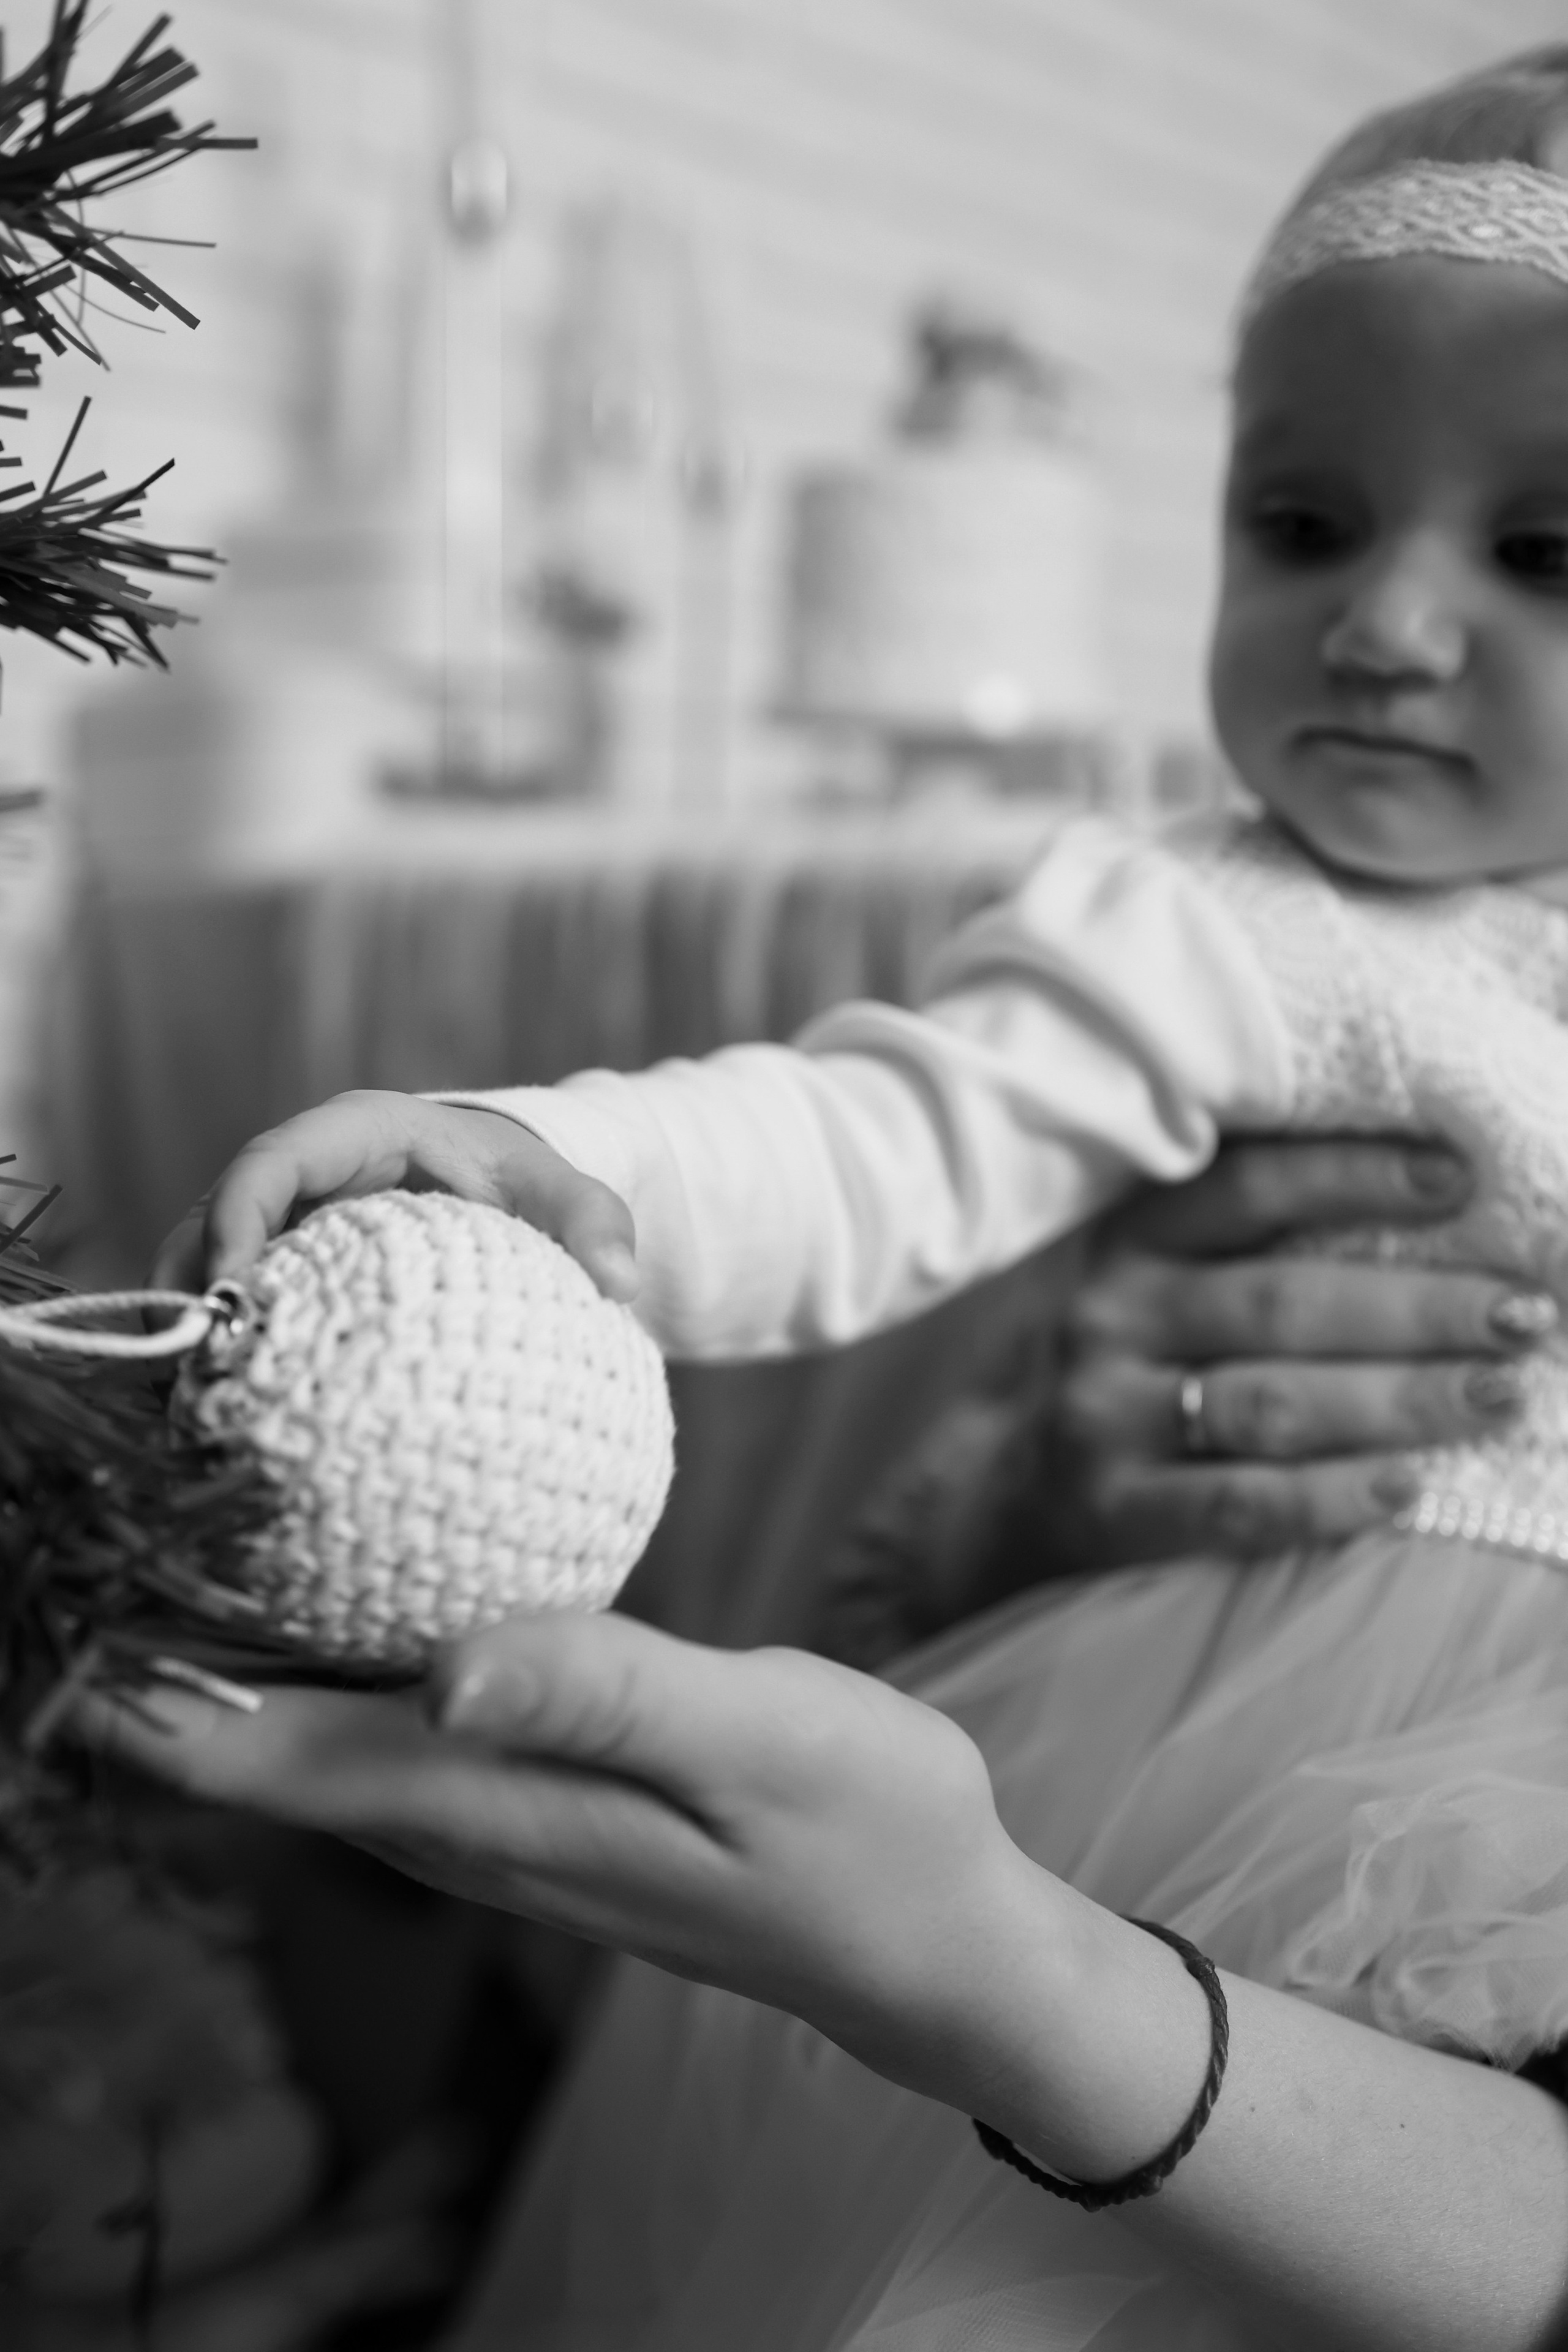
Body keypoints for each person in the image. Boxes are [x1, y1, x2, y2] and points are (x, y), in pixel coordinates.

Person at [107, 48, 1568, 2351]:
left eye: (1540, 551)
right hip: (1268, 1764)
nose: (1387, 626)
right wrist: (557, 1156)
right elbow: (880, 1127)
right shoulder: (1231, 921)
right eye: (1302, 522)